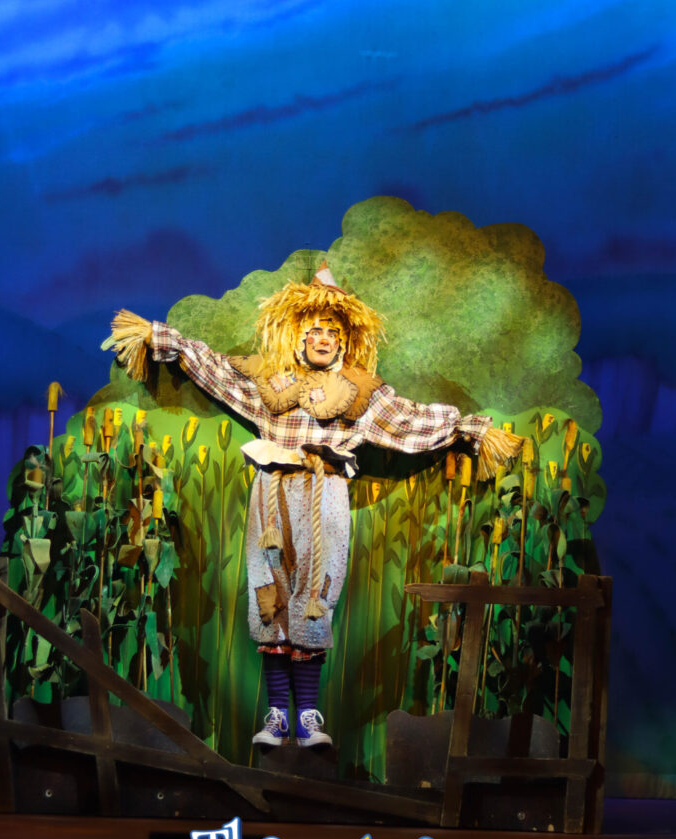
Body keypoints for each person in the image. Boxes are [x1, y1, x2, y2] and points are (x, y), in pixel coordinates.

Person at [103, 263, 522, 748]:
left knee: (317, 596)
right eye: (314, 331)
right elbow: (216, 370)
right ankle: (276, 715)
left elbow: (408, 420)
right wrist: (160, 339)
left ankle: (307, 718)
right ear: (299, 338)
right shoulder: (272, 384)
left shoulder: (360, 393)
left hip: (326, 497)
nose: (323, 339)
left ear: (344, 342)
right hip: (273, 496)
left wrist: (468, 429)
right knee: (269, 593)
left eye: (332, 333)